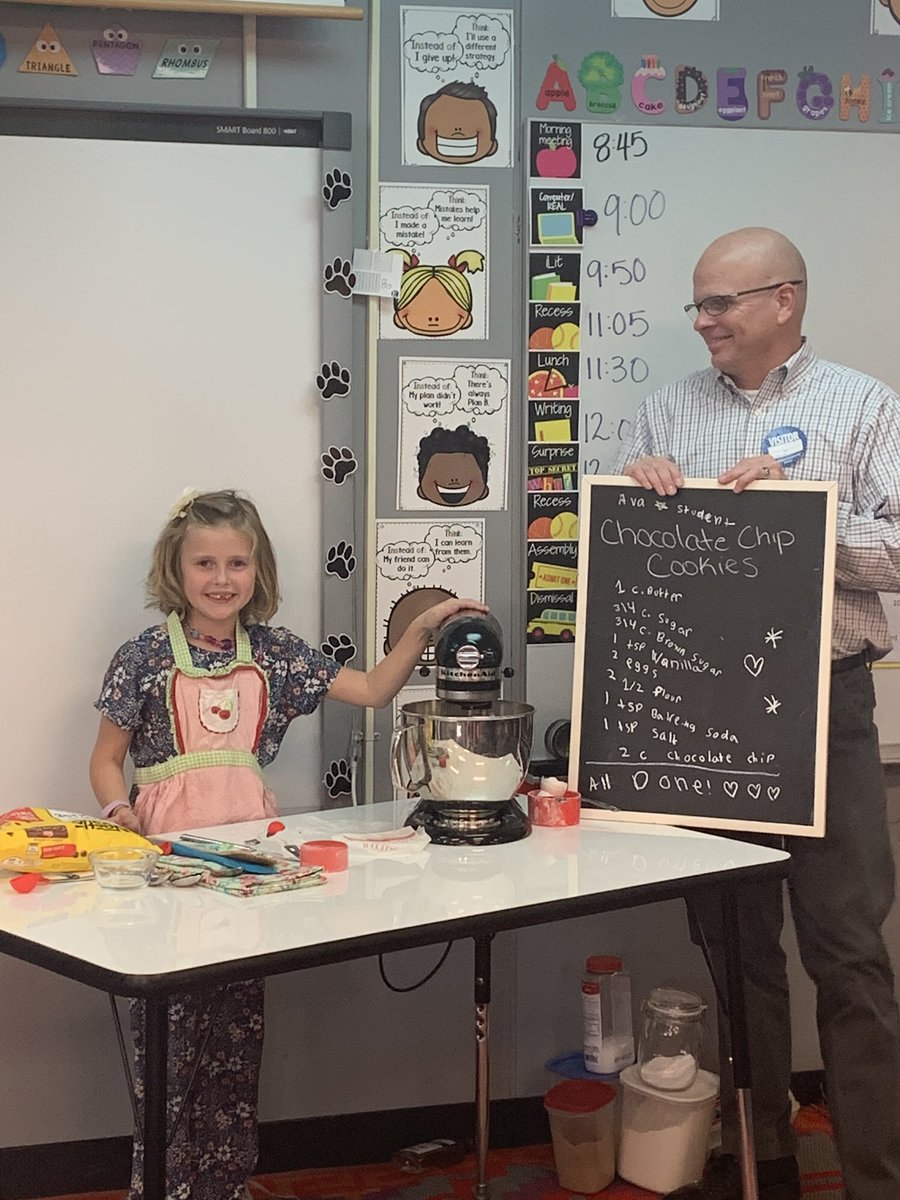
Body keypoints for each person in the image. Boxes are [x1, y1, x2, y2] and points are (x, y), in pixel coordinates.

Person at [89, 487, 486, 1200]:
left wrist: (423, 629)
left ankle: (228, 1185)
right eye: (204, 563)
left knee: (235, 1045)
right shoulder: (142, 657)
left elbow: (372, 689)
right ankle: (165, 1190)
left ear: (258, 570)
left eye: (236, 563)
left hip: (250, 878)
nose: (221, 579)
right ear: (176, 569)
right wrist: (119, 810)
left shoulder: (275, 654)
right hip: (167, 878)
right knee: (170, 1052)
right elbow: (105, 758)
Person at [616, 227, 900, 1200]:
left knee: (850, 956)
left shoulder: (863, 406)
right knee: (735, 952)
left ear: (785, 299)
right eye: (697, 304)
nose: (702, 321)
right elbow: (626, 560)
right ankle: (761, 1161)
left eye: (719, 303)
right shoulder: (666, 411)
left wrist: (806, 512)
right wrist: (640, 498)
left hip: (828, 705)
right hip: (705, 707)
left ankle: (874, 1179)